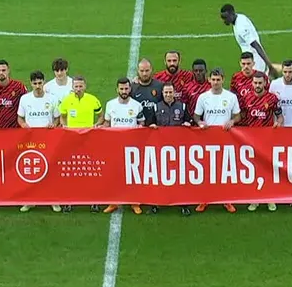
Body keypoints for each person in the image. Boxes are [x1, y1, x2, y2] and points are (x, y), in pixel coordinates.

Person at [193, 68, 242, 214]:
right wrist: (200, 122)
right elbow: (196, 116)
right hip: (207, 140)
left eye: (218, 80)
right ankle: (205, 200)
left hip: (227, 139)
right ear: (209, 80)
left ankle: (226, 200)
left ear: (223, 79)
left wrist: (232, 121)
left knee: (225, 171)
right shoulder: (203, 97)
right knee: (207, 170)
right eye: (213, 80)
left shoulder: (231, 97)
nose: (215, 82)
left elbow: (238, 116)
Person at [58, 75, 104, 213]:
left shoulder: (92, 100)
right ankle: (69, 201)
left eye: (80, 86)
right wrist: (65, 126)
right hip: (71, 140)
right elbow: (62, 116)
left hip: (89, 140)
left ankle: (94, 201)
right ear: (72, 87)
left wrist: (96, 125)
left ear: (85, 86)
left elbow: (101, 115)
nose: (78, 89)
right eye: (76, 86)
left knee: (91, 170)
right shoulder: (67, 101)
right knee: (71, 171)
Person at [17, 70, 61, 213]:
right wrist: (24, 126)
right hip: (30, 141)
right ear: (31, 84)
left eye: (40, 83)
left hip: (48, 139)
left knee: (49, 169)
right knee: (32, 171)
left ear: (43, 82)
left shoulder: (52, 99)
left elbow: (57, 118)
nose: (37, 86)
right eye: (35, 83)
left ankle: (53, 200)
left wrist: (53, 125)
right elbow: (20, 118)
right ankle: (30, 201)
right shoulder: (25, 99)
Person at [102, 78, 146, 215]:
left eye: (126, 89)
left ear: (130, 89)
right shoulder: (110, 105)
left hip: (132, 146)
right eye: (121, 89)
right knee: (115, 174)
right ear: (117, 89)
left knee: (133, 174)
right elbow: (107, 124)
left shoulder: (137, 105)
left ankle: (135, 202)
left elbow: (141, 123)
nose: (124, 91)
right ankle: (114, 202)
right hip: (114, 145)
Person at [241, 71, 283, 212]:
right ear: (252, 83)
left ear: (265, 83)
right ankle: (255, 199)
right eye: (255, 83)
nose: (257, 85)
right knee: (253, 170)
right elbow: (241, 116)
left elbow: (280, 116)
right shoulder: (246, 98)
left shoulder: (272, 98)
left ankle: (270, 198)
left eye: (260, 83)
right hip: (250, 139)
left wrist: (278, 123)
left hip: (267, 139)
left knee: (268, 169)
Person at [151, 82, 193, 216]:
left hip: (179, 149)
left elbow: (189, 121)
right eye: (166, 92)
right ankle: (156, 202)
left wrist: (188, 124)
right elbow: (149, 124)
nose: (168, 95)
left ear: (174, 93)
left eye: (170, 92)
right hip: (161, 149)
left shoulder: (183, 106)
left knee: (180, 177)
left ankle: (184, 204)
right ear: (162, 93)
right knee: (159, 176)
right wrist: (151, 126)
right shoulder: (156, 107)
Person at [220, 3, 279, 78]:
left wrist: (270, 65)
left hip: (255, 60)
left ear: (232, 13)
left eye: (225, 17)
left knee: (255, 85)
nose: (224, 20)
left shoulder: (241, 27)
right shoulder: (240, 17)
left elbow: (255, 44)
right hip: (249, 60)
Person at [0, 59, 28, 129]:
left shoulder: (19, 86)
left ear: (8, 71)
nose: (1, 72)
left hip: (16, 129)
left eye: (3, 70)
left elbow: (28, 103)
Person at [130, 58, 164, 127]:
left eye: (147, 70)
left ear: (151, 70)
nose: (144, 74)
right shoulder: (132, 88)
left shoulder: (160, 86)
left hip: (155, 127)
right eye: (142, 71)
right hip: (137, 128)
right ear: (138, 71)